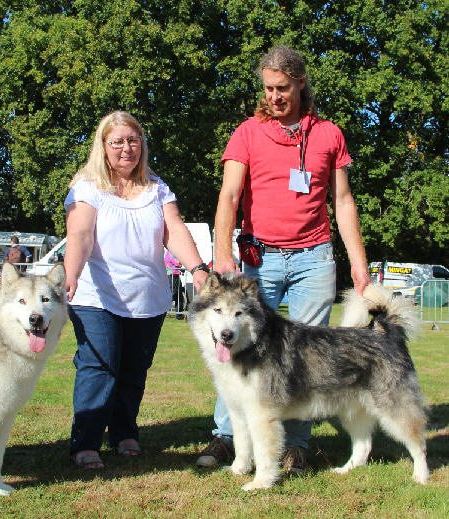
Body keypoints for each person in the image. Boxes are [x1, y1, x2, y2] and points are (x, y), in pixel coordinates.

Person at [197, 46, 371, 473]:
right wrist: (222, 255)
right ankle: (227, 438)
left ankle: (295, 445)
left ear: (300, 84)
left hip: (315, 258)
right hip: (258, 262)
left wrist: (359, 265)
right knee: (236, 345)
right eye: (269, 88)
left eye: (283, 88)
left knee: (307, 355)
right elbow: (229, 196)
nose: (274, 96)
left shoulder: (329, 134)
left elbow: (343, 201)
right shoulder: (247, 133)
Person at [64, 111, 209, 469]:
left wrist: (198, 269)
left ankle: (125, 432)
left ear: (142, 145)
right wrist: (71, 273)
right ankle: (86, 443)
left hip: (148, 298)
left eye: (133, 140)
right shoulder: (87, 188)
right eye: (118, 142)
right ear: (104, 147)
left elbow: (173, 230)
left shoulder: (158, 187)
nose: (126, 148)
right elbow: (80, 235)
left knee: (133, 370)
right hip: (95, 297)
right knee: (100, 368)